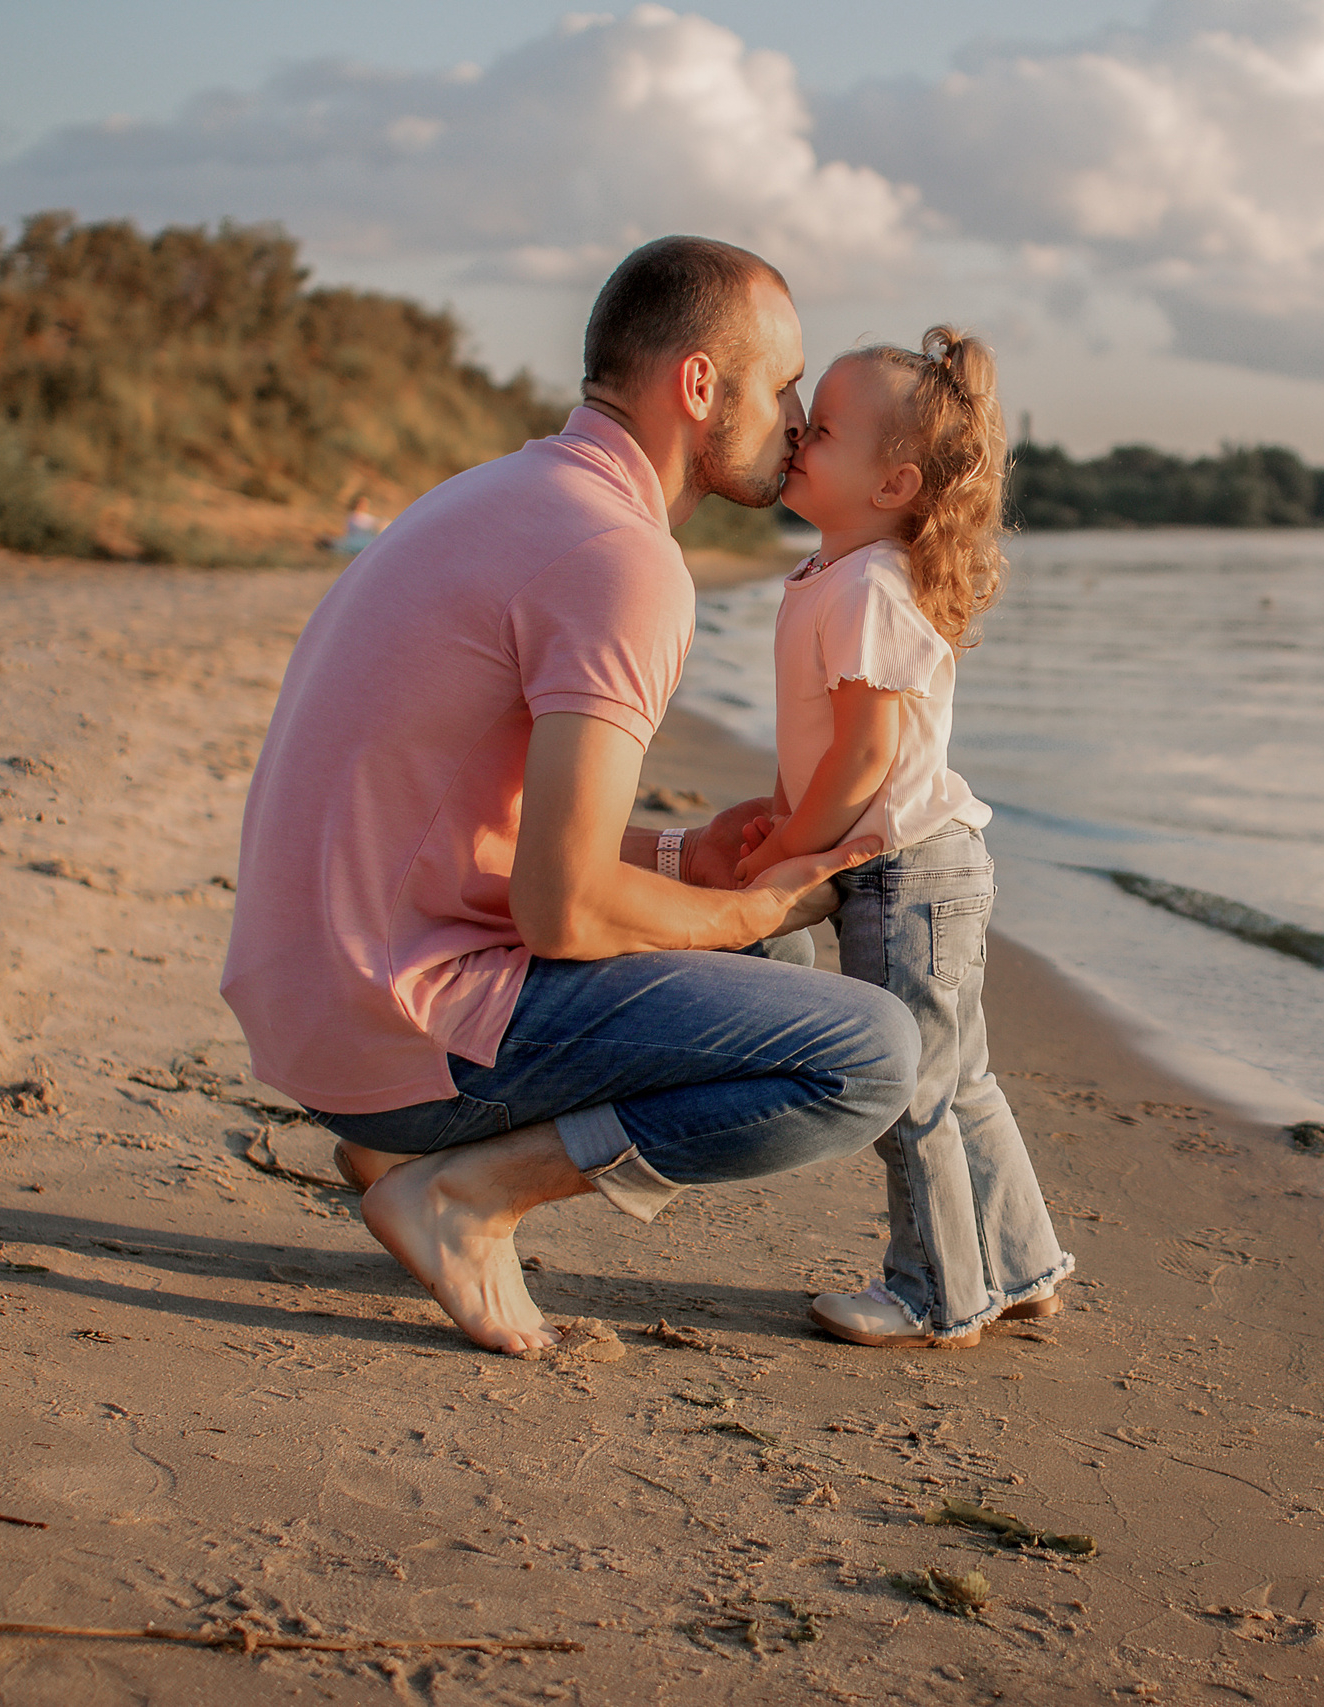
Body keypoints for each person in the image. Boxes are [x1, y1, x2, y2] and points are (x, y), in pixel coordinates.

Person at [220, 237, 921, 1356]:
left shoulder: (504, 494)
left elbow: (471, 813)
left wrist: (685, 858)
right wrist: (745, 906)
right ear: (701, 384)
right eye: (784, 385)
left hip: (313, 998)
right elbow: (563, 909)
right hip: (388, 1019)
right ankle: (469, 1192)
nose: (798, 421)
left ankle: (402, 1150)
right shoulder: (621, 559)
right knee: (870, 1054)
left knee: (765, 957)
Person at [731, 328, 1073, 1349]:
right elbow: (828, 742)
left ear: (893, 484)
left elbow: (865, 755)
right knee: (962, 1079)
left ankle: (935, 1293)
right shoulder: (841, 572)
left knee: (912, 1091)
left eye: (825, 431)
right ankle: (1020, 1265)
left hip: (906, 876)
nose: (798, 436)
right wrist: (787, 812)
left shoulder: (868, 586)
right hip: (932, 866)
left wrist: (790, 849)